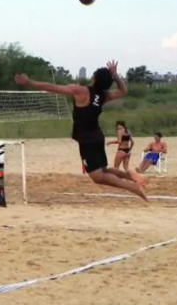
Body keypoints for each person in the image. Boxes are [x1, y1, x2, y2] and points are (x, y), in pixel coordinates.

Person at [14, 60, 148, 201]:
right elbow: (123, 91)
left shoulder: (81, 91)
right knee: (103, 170)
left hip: (87, 139)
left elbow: (50, 87)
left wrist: (28, 82)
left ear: (94, 78)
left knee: (97, 176)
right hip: (96, 136)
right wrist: (115, 75)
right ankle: (129, 175)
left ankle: (133, 188)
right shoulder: (104, 95)